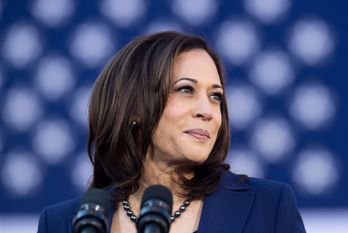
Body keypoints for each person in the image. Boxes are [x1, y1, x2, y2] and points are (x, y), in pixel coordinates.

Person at [37, 31, 306, 233]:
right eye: (186, 89)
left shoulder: (269, 207)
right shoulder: (62, 223)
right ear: (135, 110)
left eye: (216, 96)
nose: (208, 111)